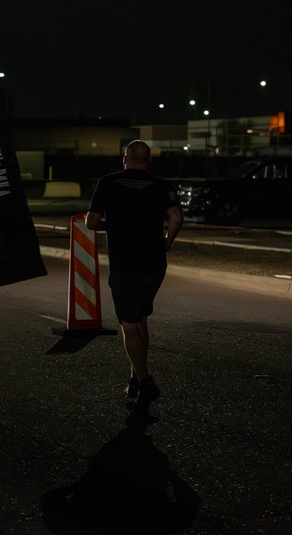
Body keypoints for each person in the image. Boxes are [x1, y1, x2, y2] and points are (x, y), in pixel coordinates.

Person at [85, 140, 183, 406]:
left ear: (124, 158)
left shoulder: (108, 182)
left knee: (128, 325)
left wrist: (113, 225)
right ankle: (134, 378)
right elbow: (176, 216)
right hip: (154, 263)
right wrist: (167, 241)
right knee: (140, 320)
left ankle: (146, 381)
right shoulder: (163, 185)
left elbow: (91, 222)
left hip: (125, 263)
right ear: (148, 161)